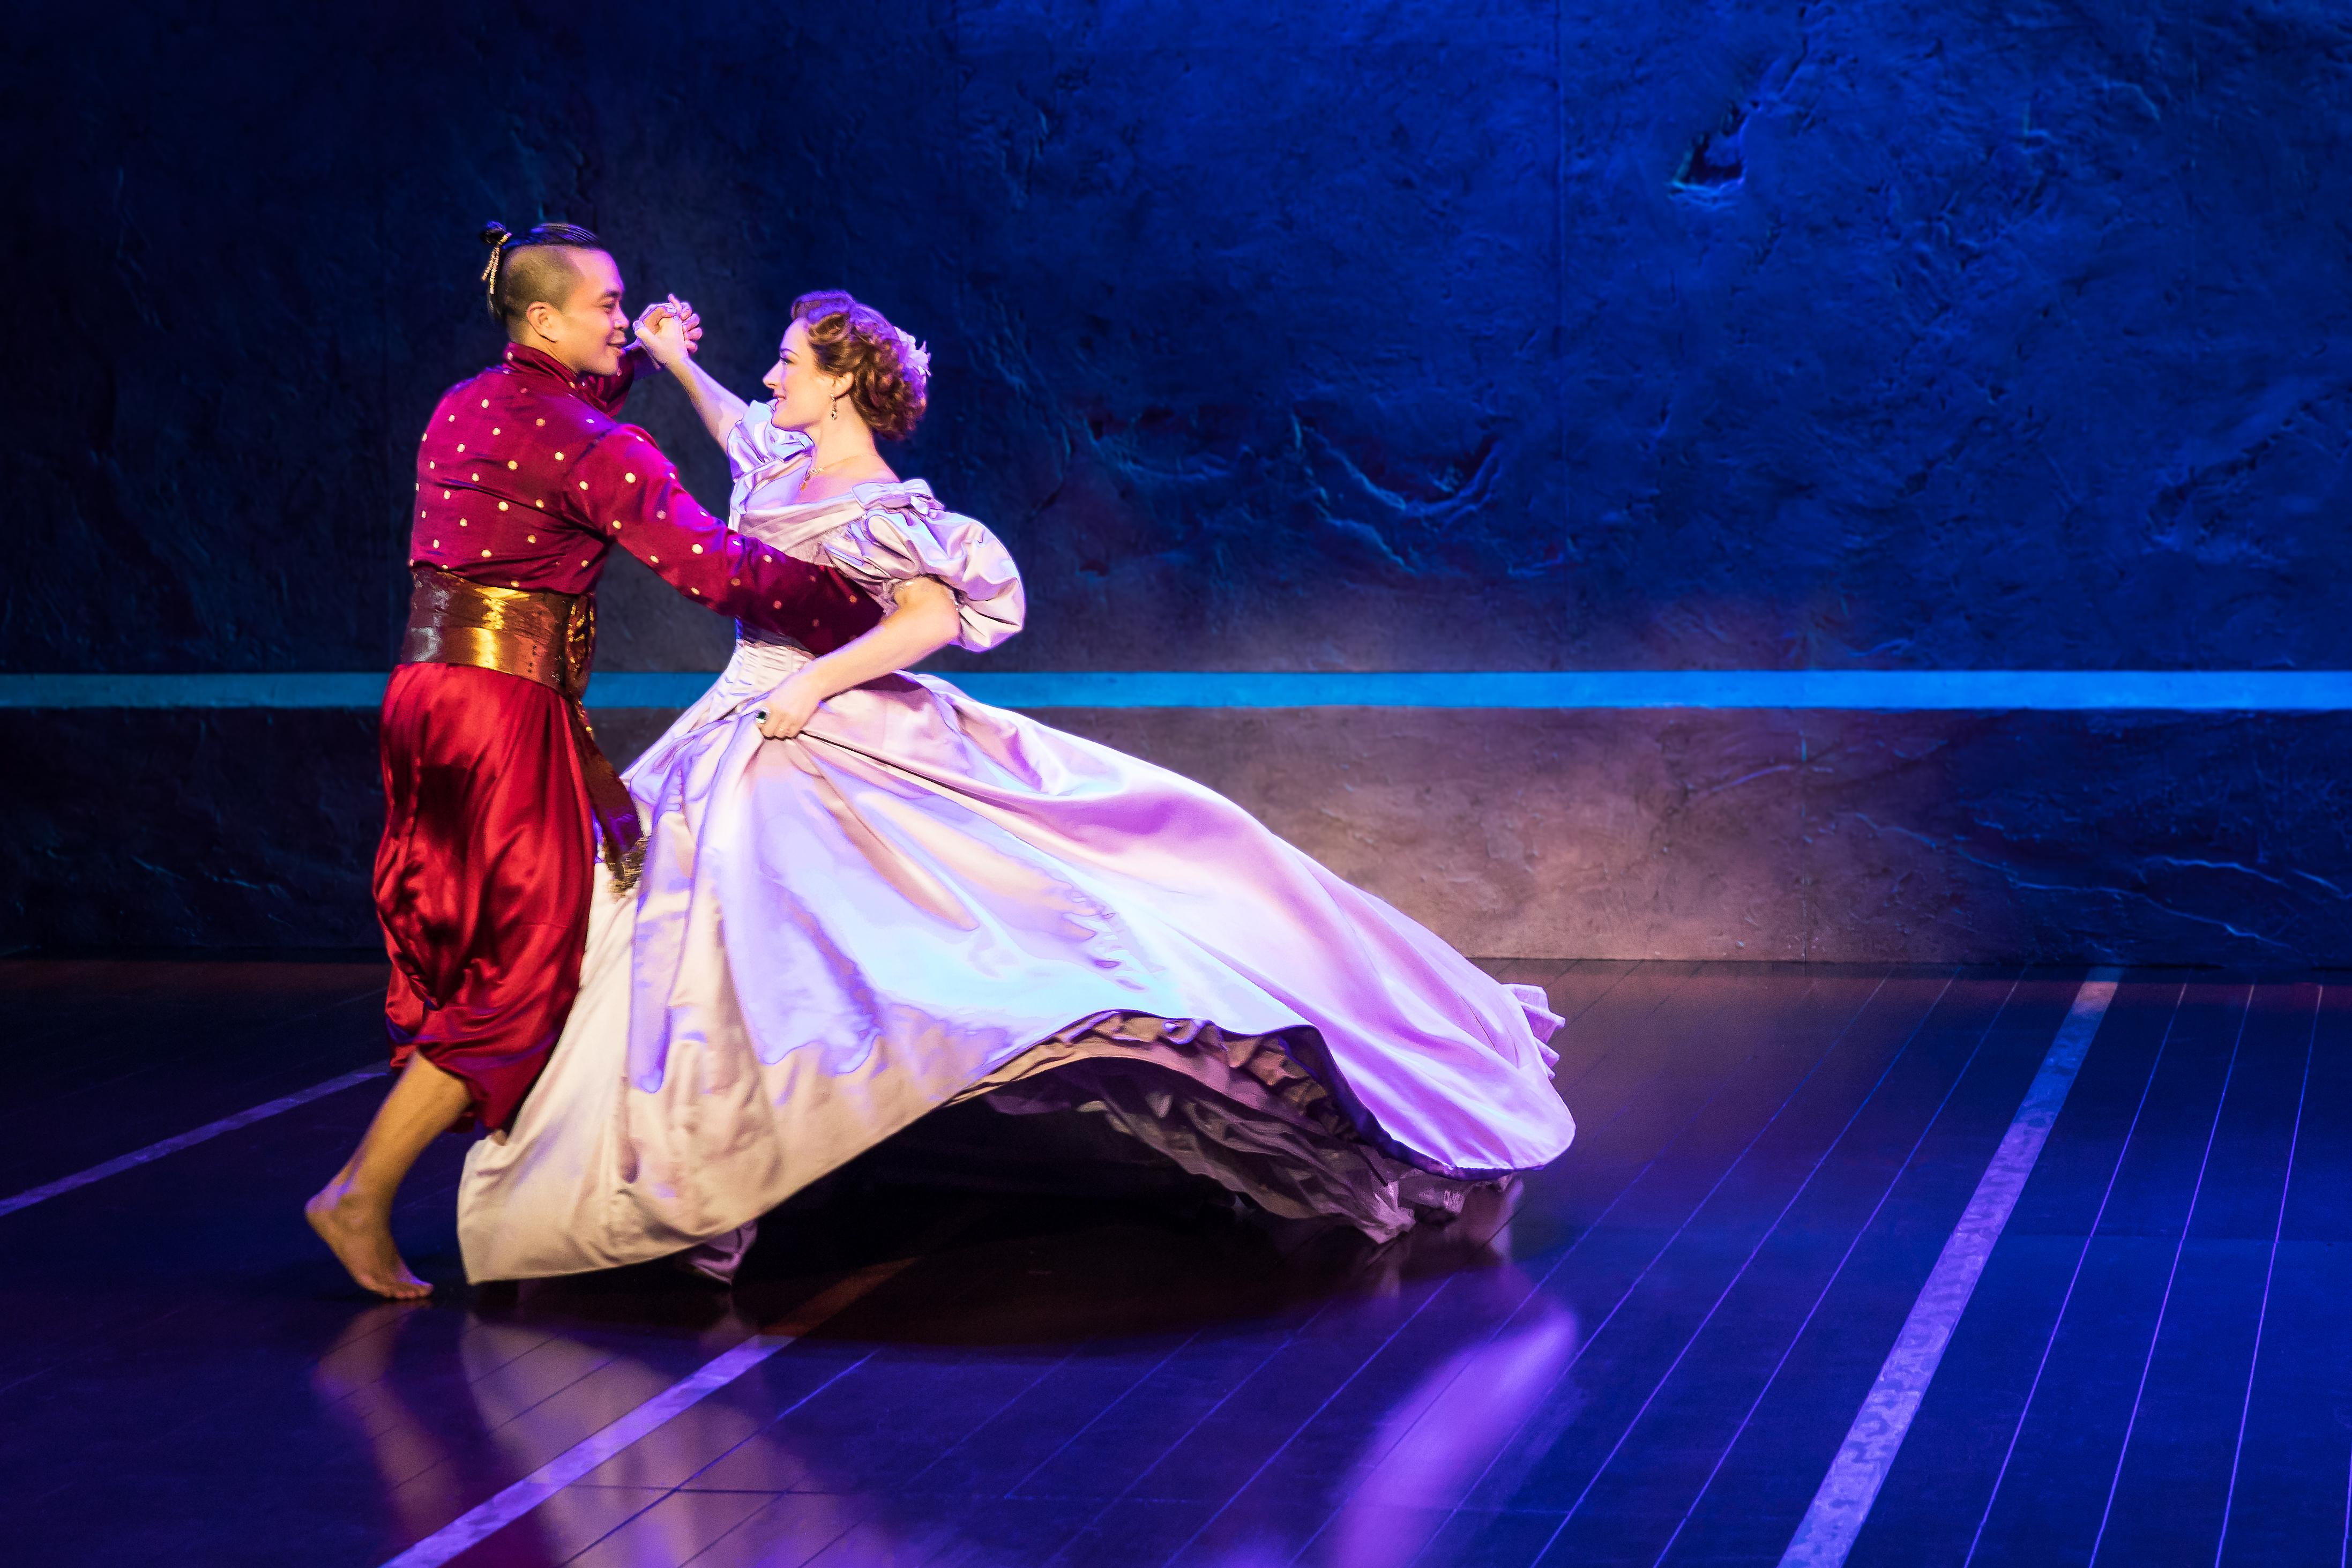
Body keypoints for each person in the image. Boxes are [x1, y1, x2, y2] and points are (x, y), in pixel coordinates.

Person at [455, 292, 1576, 1283]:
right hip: (750, 721)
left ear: (842, 379)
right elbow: (733, 428)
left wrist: (813, 687)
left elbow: (932, 618)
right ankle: (703, 1151)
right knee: (693, 941)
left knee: (961, 923)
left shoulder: (882, 505)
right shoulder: (782, 464)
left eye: (789, 360)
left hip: (823, 715)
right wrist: (671, 357)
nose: (769, 377)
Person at [305, 227, 883, 1300]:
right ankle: (361, 1192)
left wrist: (641, 360)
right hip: (501, 711)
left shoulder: (466, 405)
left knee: (497, 934)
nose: (624, 318)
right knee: (523, 964)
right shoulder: (591, 445)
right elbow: (711, 568)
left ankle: (537, 1167)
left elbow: (559, 441)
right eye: (609, 305)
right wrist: (847, 601)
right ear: (542, 319)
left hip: (425, 697)